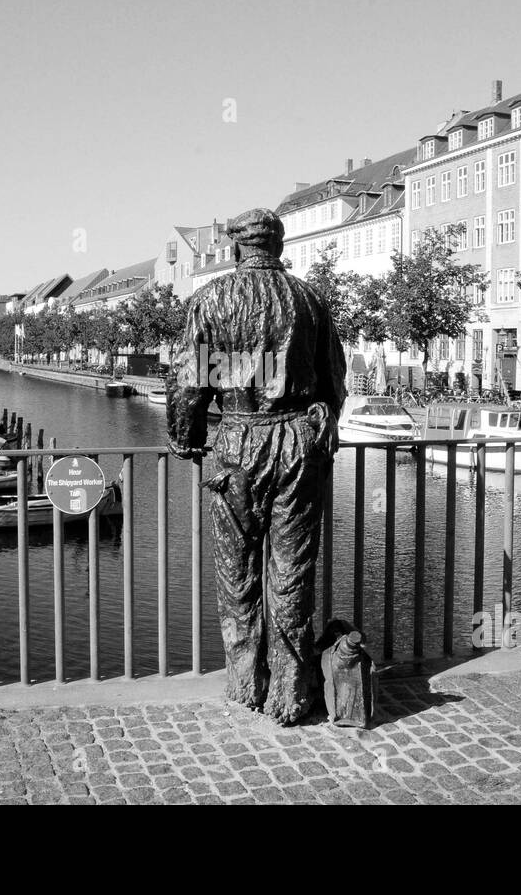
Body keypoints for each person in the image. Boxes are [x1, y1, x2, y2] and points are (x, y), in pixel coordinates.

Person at [167, 207, 346, 726]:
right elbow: (335, 379)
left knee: (236, 570)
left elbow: (190, 384)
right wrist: (319, 420)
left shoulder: (211, 299)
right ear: (280, 245)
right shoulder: (310, 299)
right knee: (292, 572)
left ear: (237, 246)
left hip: (237, 443)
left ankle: (246, 682)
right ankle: (290, 693)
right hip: (296, 443)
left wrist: (184, 439)